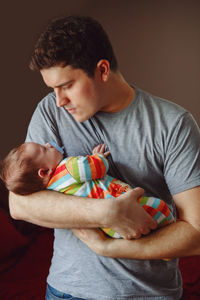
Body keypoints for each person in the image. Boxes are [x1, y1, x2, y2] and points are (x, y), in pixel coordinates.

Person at [8, 15, 200, 300]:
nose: (59, 100)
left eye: (67, 85)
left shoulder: (173, 124)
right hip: (67, 291)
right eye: (52, 89)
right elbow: (20, 204)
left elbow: (196, 234)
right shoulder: (51, 111)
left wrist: (110, 248)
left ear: (102, 69)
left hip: (149, 295)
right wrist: (105, 213)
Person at [1, 142, 174, 238]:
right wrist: (97, 157)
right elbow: (96, 168)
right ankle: (170, 227)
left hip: (110, 229)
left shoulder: (52, 188)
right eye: (44, 149)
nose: (48, 143)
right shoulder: (68, 167)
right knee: (160, 207)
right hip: (121, 202)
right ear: (44, 171)